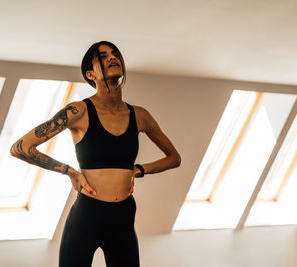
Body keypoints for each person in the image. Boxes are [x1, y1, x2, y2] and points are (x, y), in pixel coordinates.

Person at [10, 41, 181, 267]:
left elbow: (174, 158)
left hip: (124, 216)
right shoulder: (78, 111)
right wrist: (69, 171)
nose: (112, 57)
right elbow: (21, 147)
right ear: (90, 74)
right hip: (88, 216)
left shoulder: (140, 115)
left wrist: (138, 170)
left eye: (115, 54)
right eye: (103, 56)